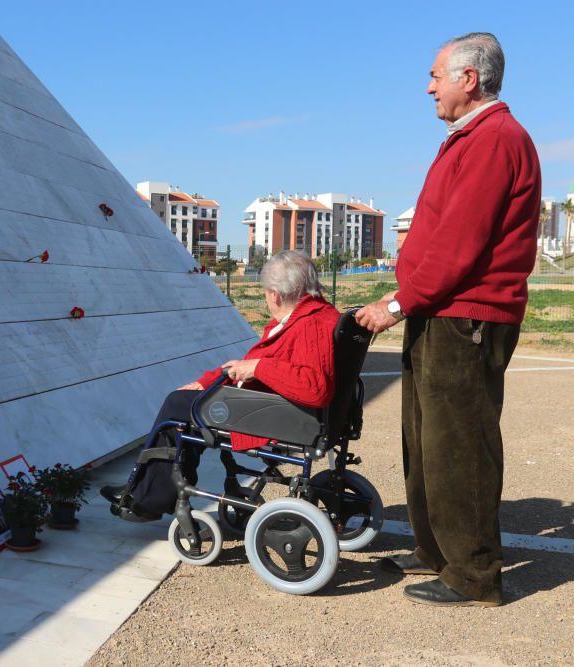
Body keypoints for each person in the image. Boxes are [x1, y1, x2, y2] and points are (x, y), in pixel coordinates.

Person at [355, 33, 540, 608]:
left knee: (461, 443)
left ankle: (474, 573)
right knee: (427, 439)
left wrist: (394, 305)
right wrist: (408, 293)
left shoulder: (493, 141)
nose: (429, 85)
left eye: (437, 74)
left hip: (467, 315)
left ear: (469, 78)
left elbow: (461, 244)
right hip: (444, 310)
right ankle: (437, 550)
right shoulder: (470, 139)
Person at [101, 250, 340, 519]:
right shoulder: (312, 316)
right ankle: (154, 490)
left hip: (279, 415)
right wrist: (207, 381)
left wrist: (259, 368)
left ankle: (147, 498)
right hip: (279, 406)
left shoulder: (310, 325)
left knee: (177, 405)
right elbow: (257, 362)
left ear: (275, 294)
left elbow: (314, 387)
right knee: (188, 402)